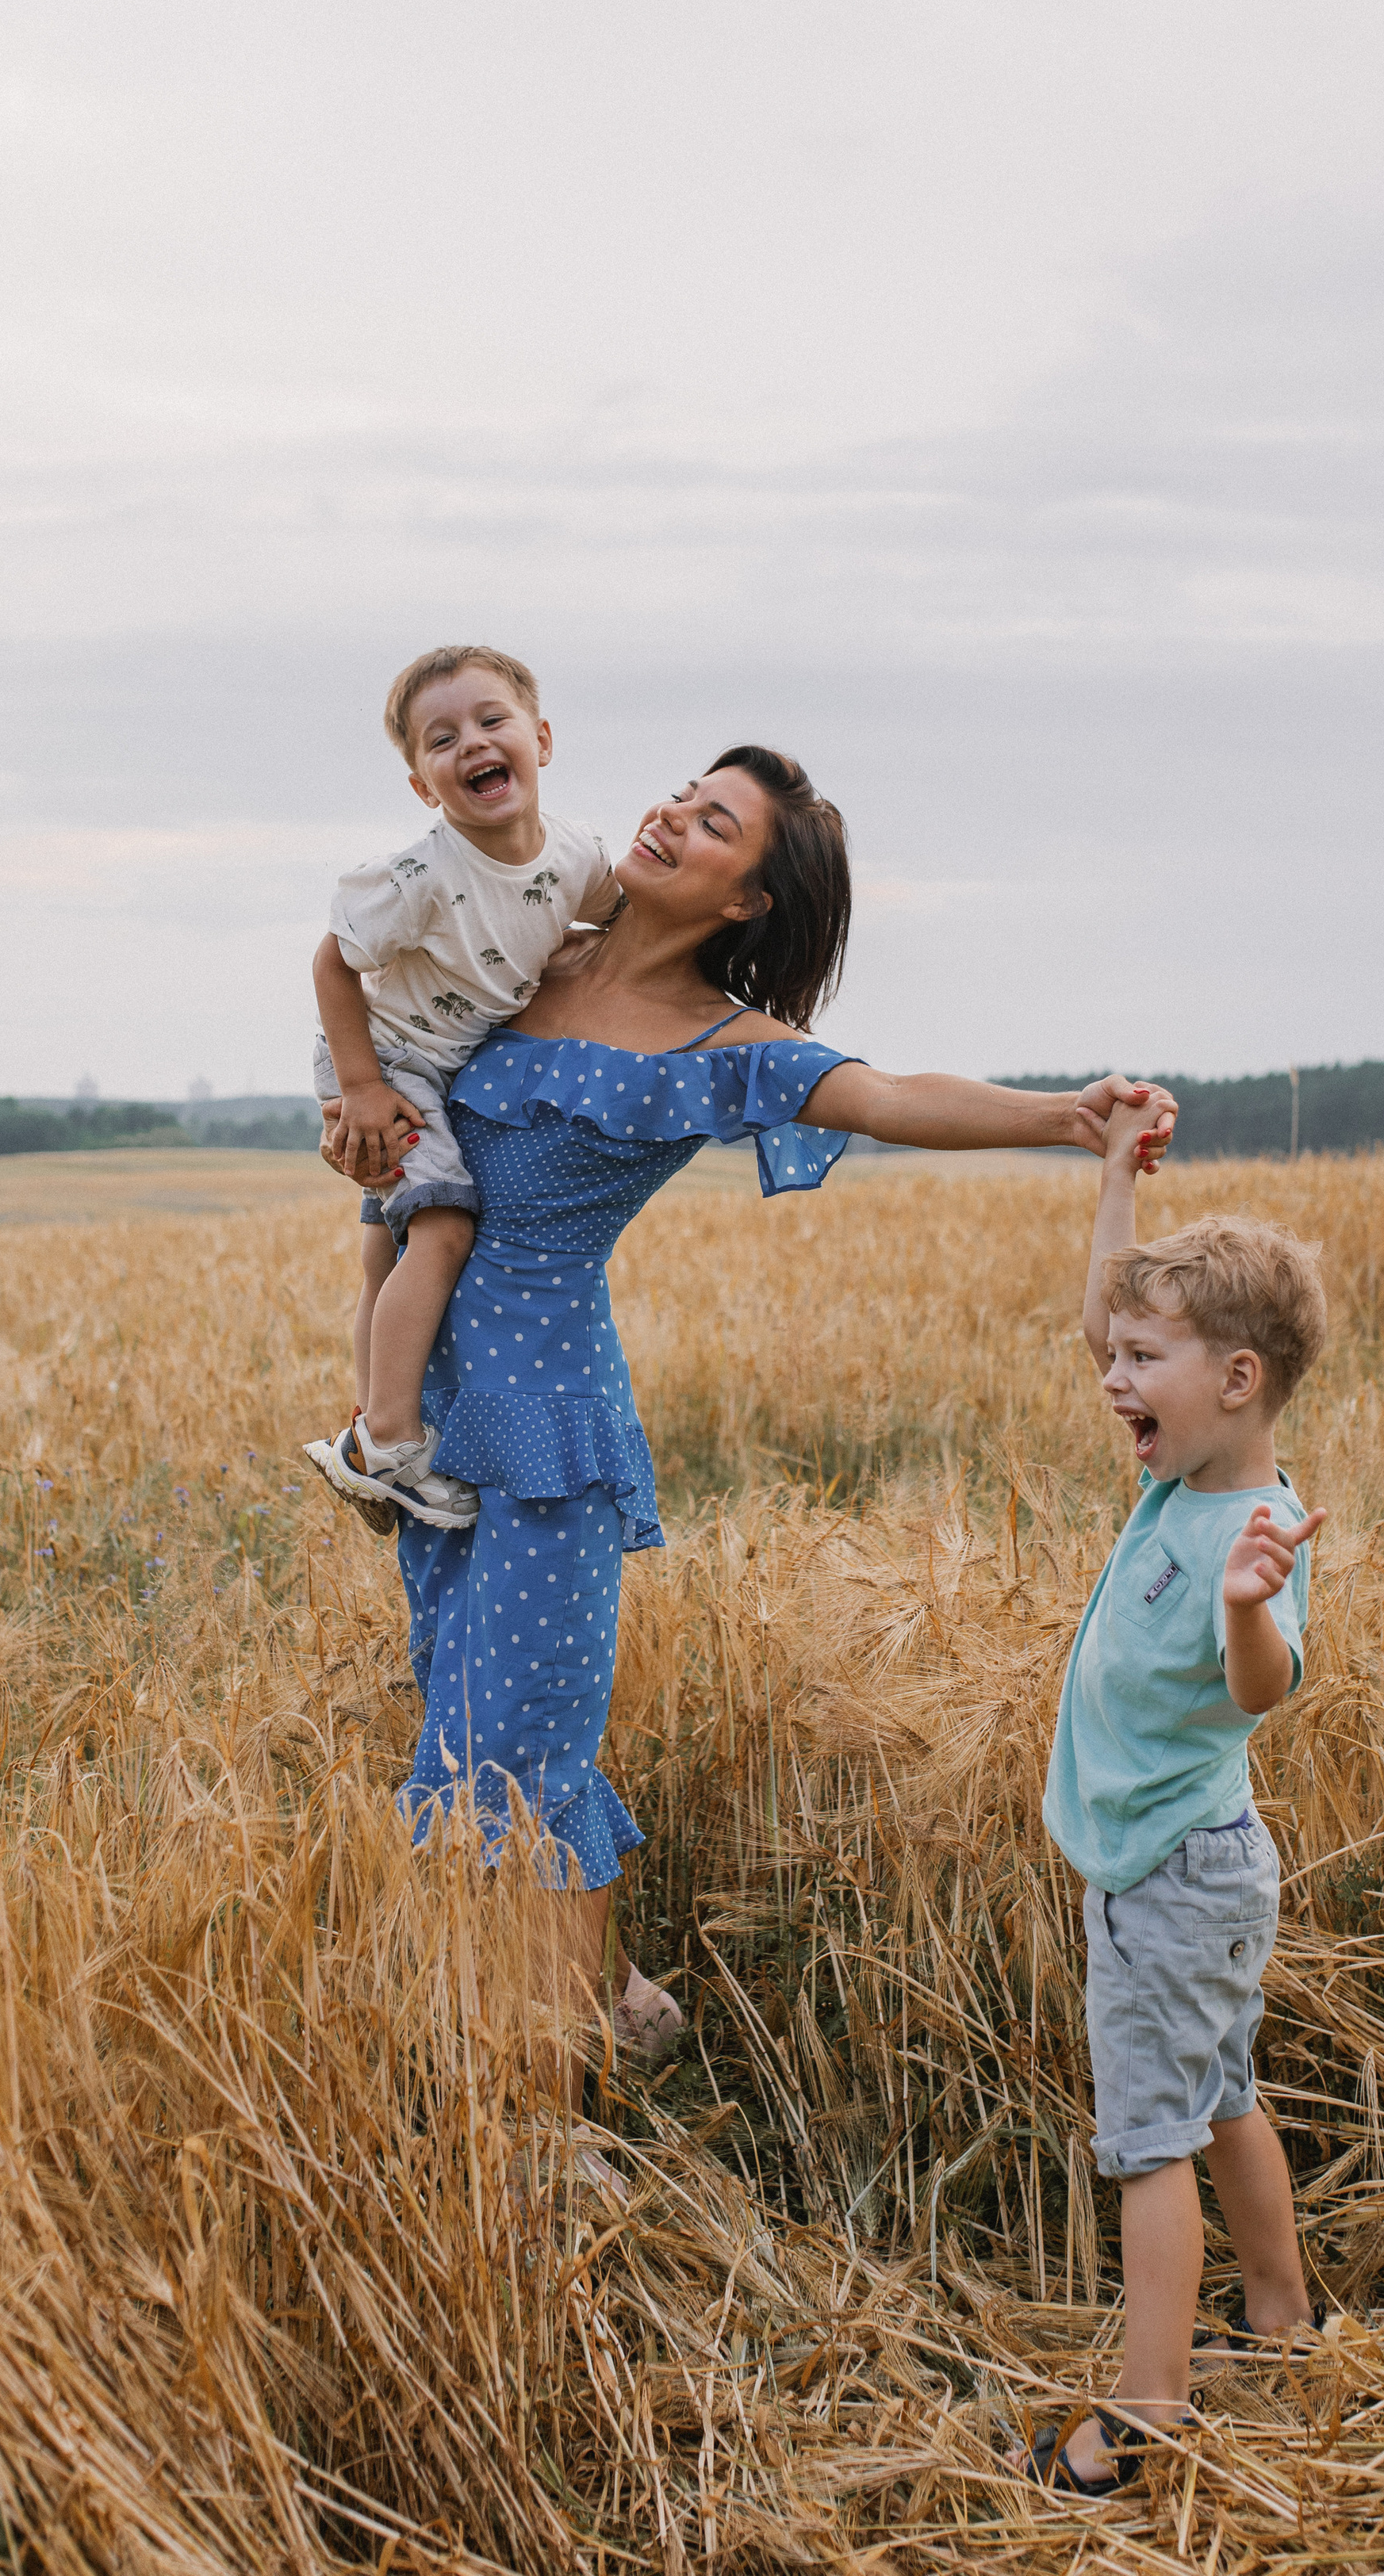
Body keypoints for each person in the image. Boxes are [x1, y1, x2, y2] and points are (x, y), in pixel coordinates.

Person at [320, 741, 1176, 2074]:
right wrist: (362, 1113)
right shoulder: (525, 949)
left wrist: (1066, 1114)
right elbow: (388, 1049)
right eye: (680, 794)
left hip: (547, 1430)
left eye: (713, 822)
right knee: (458, 1721)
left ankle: (550, 2103)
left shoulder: (726, 1050)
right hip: (436, 1420)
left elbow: (889, 1096)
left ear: (744, 902)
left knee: (522, 1756)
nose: (669, 816)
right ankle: (608, 2008)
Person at [1022, 1104, 1329, 2495]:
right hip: (1186, 1866)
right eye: (1121, 1358)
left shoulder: (1246, 1530)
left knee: (1152, 2137)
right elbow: (1105, 1320)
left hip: (1170, 1875)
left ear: (1240, 1378)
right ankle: (1282, 2320)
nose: (1112, 1379)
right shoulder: (1180, 1468)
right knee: (1219, 2096)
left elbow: (1261, 1691)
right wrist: (1109, 1182)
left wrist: (1248, 1610)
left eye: (1147, 1363)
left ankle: (1151, 2408)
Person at [304, 645, 623, 1531]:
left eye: (491, 722)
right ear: (422, 785)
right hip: (389, 1063)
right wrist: (363, 1088)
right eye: (440, 739)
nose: (472, 744)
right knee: (442, 1228)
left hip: (444, 1069)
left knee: (385, 1252)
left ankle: (368, 1435)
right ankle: (389, 1442)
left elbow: (617, 923)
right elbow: (333, 961)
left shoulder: (577, 854)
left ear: (541, 740)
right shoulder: (420, 876)